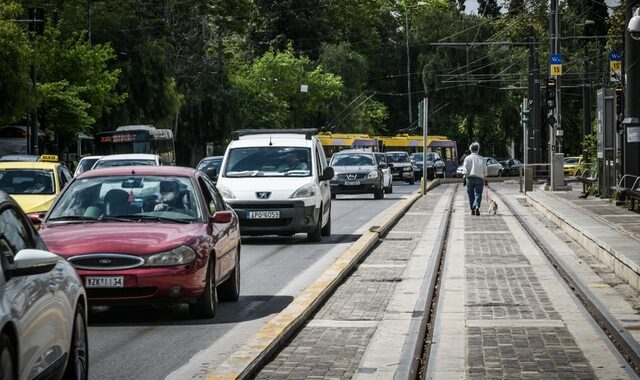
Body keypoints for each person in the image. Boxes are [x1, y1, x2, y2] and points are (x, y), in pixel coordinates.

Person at [462, 142, 488, 216]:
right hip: (479, 179)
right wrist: (486, 179)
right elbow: (485, 170)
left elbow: (465, 170)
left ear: (470, 149)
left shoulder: (467, 158)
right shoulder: (482, 159)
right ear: (478, 150)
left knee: (471, 195)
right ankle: (476, 206)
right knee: (478, 194)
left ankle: (472, 209)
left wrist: (464, 177)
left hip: (469, 178)